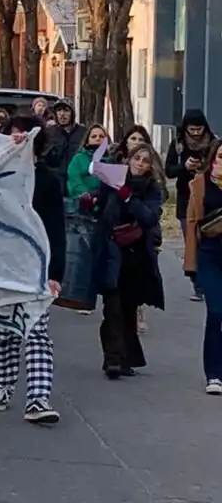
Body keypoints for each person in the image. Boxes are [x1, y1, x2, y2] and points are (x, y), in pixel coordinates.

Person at [0, 115, 65, 425]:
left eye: (24, 137)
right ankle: (4, 384)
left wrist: (56, 271)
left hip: (36, 265)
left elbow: (57, 230)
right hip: (0, 264)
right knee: (3, 331)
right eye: (12, 137)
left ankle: (38, 397)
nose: (18, 142)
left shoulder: (47, 181)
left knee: (36, 332)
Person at [93, 143, 165, 379]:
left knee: (128, 308)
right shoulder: (113, 180)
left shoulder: (152, 189)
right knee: (112, 307)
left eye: (145, 162)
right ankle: (112, 358)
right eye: (137, 159)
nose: (140, 164)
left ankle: (125, 358)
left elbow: (149, 217)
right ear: (129, 160)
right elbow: (101, 206)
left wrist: (129, 199)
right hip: (112, 252)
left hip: (136, 256)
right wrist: (90, 202)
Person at [183, 138, 222, 394]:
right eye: (220, 157)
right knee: (216, 311)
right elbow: (192, 224)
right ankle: (214, 375)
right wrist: (191, 263)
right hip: (210, 256)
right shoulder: (200, 185)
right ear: (213, 159)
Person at [168, 110, 214, 301]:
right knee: (191, 242)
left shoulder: (213, 143)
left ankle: (209, 281)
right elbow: (168, 171)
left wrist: (205, 166)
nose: (196, 133)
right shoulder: (178, 145)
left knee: (208, 241)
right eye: (192, 129)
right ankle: (199, 285)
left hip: (209, 197)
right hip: (185, 198)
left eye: (199, 129)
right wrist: (184, 167)